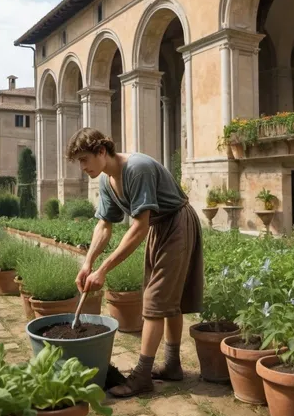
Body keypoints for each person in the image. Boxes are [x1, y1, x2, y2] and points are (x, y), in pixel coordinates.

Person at [67, 127, 204, 398]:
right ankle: (173, 365)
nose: (82, 167)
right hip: (159, 227)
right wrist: (88, 264)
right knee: (165, 298)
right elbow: (104, 226)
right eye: (79, 161)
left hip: (176, 224)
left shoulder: (136, 168)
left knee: (155, 300)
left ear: (102, 151)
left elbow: (139, 227)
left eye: (84, 159)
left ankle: (142, 376)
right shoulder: (107, 181)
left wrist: (104, 269)